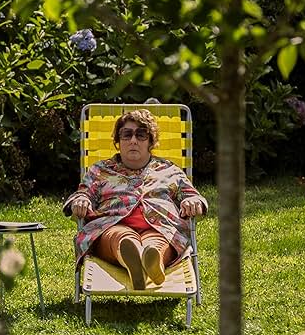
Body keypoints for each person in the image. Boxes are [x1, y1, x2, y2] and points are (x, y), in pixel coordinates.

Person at [63, 108, 207, 290]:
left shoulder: (169, 170)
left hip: (160, 227)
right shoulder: (100, 170)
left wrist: (192, 201)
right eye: (126, 135)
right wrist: (81, 200)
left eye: (141, 135)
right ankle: (135, 260)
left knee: (158, 243)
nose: (133, 140)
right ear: (118, 141)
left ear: (150, 142)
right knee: (120, 237)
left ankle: (151, 261)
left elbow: (192, 195)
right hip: (112, 226)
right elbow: (83, 193)